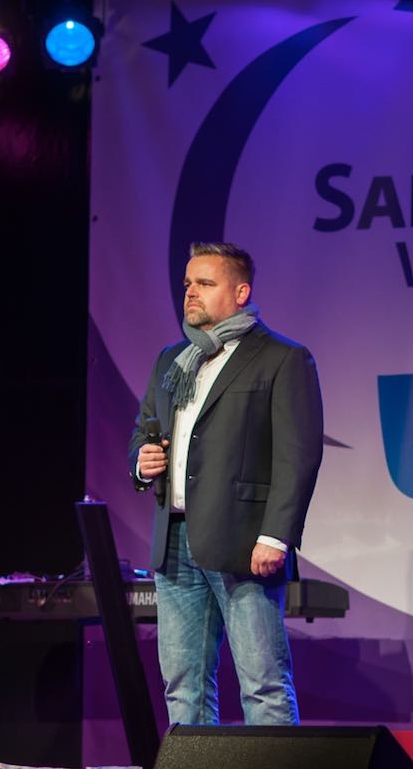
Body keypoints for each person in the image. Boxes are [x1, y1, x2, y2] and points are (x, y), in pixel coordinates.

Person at [129, 242, 323, 725]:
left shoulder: (281, 358)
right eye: (187, 284)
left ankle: (276, 764)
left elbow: (298, 456)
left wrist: (276, 535)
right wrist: (141, 461)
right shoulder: (173, 360)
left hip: (243, 540)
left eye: (205, 283)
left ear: (241, 293)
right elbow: (143, 430)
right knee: (183, 685)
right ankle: (196, 761)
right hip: (174, 540)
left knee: (263, 684)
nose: (191, 293)